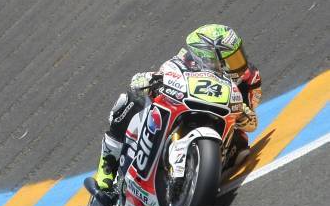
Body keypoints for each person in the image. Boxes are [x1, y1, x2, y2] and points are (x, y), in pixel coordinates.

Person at [94, 24, 262, 191]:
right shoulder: (182, 63)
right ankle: (107, 165)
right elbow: (160, 78)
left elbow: (252, 124)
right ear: (209, 57)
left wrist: (243, 114)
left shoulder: (249, 78)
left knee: (242, 146)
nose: (240, 65)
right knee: (130, 100)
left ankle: (202, 176)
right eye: (232, 60)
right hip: (185, 112)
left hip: (221, 134)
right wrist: (147, 79)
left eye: (238, 56)